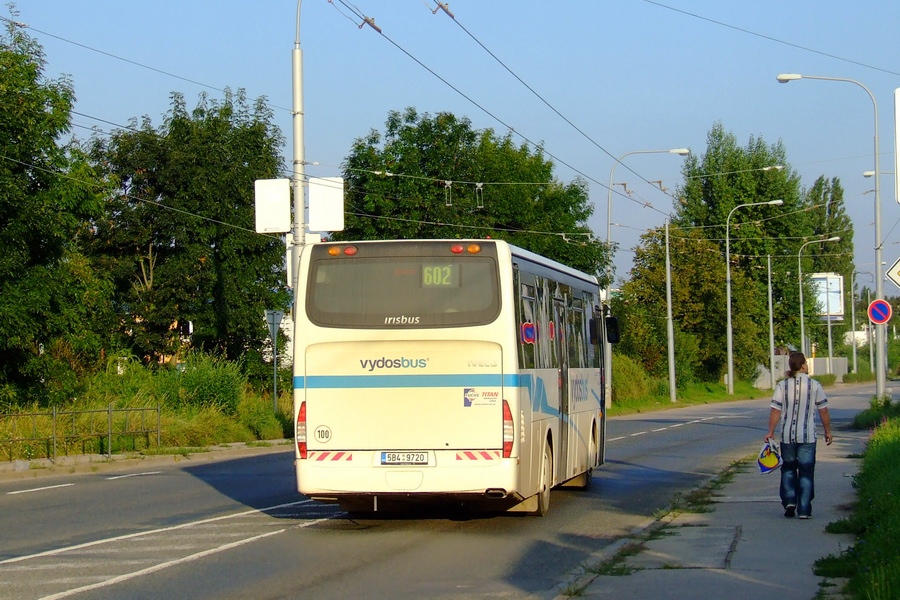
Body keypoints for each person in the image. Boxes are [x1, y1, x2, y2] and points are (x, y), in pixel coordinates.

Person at [764, 351, 833, 519]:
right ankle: (804, 509)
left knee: (788, 468)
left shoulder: (782, 385)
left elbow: (775, 410)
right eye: (806, 363)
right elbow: (823, 410)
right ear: (802, 365)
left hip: (787, 436)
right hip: (808, 436)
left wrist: (771, 432)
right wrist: (827, 431)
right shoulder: (815, 385)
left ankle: (789, 501)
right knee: (806, 471)